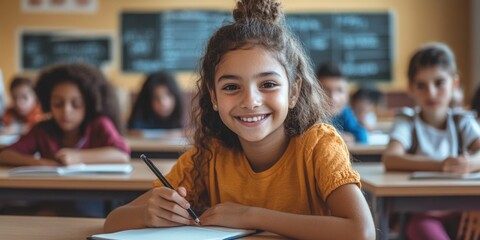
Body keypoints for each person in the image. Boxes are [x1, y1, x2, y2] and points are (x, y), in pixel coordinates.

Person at [104, 0, 375, 239]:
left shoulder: (318, 145)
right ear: (213, 96)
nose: (250, 101)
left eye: (268, 84)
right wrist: (149, 214)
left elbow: (360, 232)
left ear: (293, 91)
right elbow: (113, 222)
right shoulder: (208, 157)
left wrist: (251, 216)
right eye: (232, 87)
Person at [382, 43, 480, 240]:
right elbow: (391, 158)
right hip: (422, 214)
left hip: (463, 210)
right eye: (421, 85)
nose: (431, 93)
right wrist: (442, 165)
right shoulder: (407, 120)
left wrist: (470, 164)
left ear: (454, 84)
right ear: (410, 88)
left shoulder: (462, 120)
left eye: (439, 83)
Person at [0, 63, 130, 166]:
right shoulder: (43, 130)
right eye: (57, 104)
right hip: (50, 196)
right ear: (48, 103)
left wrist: (78, 157)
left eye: (76, 104)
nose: (66, 111)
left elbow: (122, 154)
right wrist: (39, 163)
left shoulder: (99, 124)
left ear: (89, 104)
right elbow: (5, 154)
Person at [316, 62, 368, 144]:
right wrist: (337, 137)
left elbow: (362, 136)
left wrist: (352, 138)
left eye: (340, 91)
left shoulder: (344, 113)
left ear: (347, 94)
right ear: (314, 92)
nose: (334, 98)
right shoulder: (307, 116)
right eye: (326, 90)